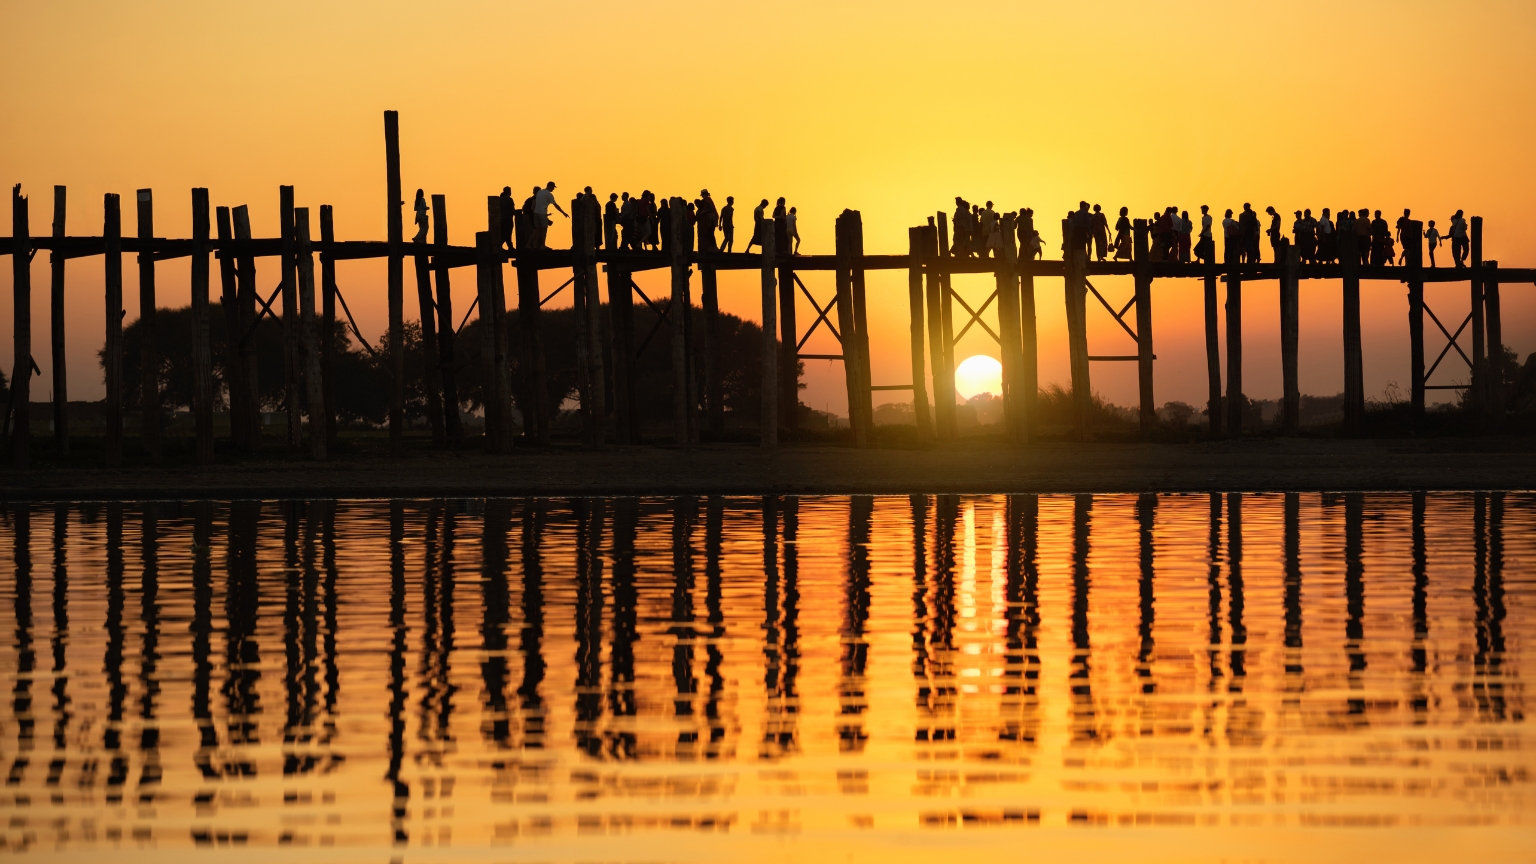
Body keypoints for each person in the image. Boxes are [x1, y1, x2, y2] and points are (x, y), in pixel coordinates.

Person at [532, 181, 567, 249]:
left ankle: (535, 246)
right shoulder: (548, 194)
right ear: (550, 186)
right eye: (553, 187)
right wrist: (563, 212)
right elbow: (555, 205)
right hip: (542, 213)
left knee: (537, 230)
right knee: (544, 229)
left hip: (536, 213)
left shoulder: (540, 191)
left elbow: (535, 201)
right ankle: (543, 245)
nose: (553, 189)